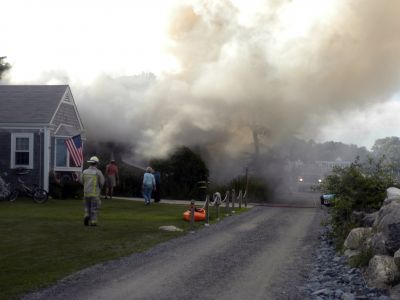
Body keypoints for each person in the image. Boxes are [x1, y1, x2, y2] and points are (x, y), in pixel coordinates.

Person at [80, 156, 105, 226]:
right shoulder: (98, 172)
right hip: (95, 194)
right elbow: (102, 183)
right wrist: (100, 188)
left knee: (87, 207)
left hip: (86, 193)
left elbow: (81, 181)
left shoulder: (84, 171)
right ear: (96, 163)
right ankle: (93, 222)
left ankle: (86, 215)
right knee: (94, 208)